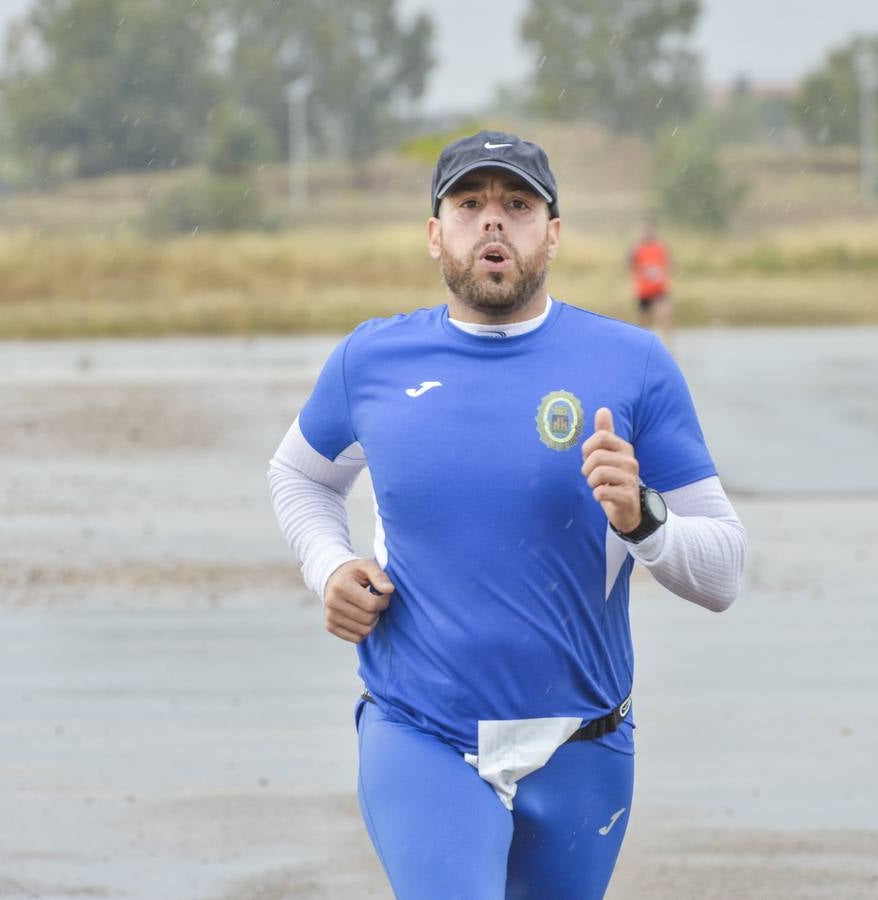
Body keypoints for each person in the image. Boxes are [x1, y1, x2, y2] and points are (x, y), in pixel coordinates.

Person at [267, 129, 746, 900]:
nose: (493, 222)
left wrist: (642, 519)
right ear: (435, 234)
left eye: (517, 205)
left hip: (584, 742)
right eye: (469, 204)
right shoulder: (372, 360)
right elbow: (298, 475)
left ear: (552, 234)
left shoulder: (633, 364)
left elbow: (723, 571)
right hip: (422, 729)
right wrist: (330, 565)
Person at [629, 219, 673, 346]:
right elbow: (631, 267)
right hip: (643, 291)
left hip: (659, 290)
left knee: (665, 317)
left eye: (649, 230)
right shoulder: (636, 249)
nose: (647, 233)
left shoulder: (661, 247)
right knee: (642, 324)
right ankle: (642, 346)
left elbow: (669, 264)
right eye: (644, 230)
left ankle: (668, 346)